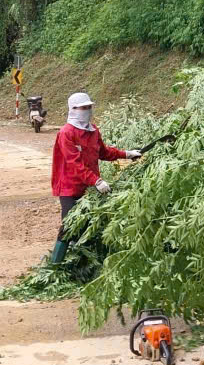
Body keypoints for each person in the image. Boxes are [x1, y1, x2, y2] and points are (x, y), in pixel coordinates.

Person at [48, 92, 142, 264]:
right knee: (70, 224)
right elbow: (74, 164)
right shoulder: (66, 133)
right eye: (84, 108)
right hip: (70, 187)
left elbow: (104, 152)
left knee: (90, 224)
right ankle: (55, 263)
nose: (88, 111)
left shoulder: (93, 130)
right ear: (74, 109)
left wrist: (127, 154)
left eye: (89, 107)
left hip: (89, 187)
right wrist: (97, 181)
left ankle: (82, 260)